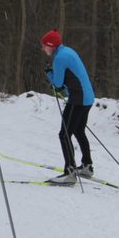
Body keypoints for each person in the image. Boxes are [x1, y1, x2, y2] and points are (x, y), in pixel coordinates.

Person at [41, 29, 95, 185]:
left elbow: (58, 85)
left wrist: (49, 75)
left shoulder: (59, 58)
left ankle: (70, 172)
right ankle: (87, 166)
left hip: (78, 99)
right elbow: (66, 82)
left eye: (44, 46)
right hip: (88, 97)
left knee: (64, 134)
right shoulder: (67, 51)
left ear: (50, 45)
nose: (43, 49)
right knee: (78, 131)